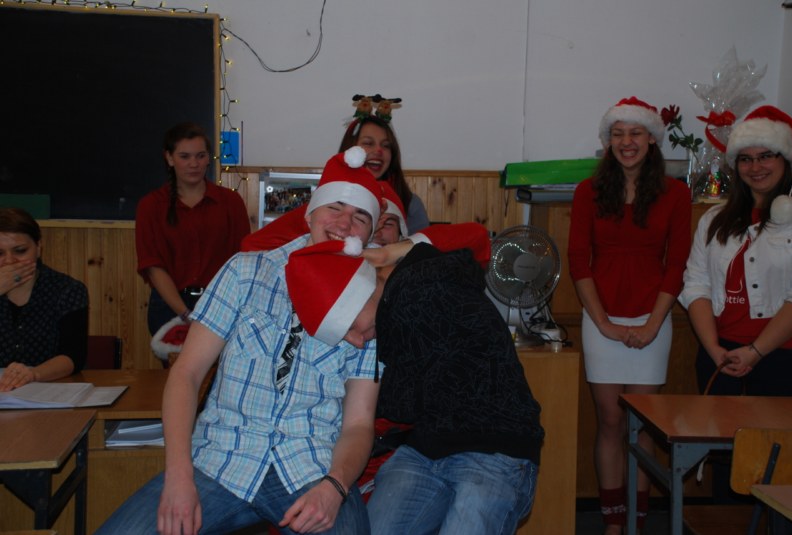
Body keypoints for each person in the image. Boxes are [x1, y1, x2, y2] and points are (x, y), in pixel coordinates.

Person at [96, 147, 384, 535]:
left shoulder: (370, 307)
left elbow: (359, 424)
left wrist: (335, 487)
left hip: (310, 469)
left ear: (369, 234)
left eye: (361, 217)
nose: (345, 223)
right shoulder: (246, 272)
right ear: (309, 214)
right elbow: (187, 374)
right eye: (334, 207)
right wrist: (178, 476)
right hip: (221, 459)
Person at [289, 238, 543, 535]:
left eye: (349, 327)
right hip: (428, 446)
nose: (356, 341)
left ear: (360, 295)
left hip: (497, 447)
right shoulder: (417, 283)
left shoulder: (414, 298)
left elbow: (400, 405)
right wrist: (395, 251)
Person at [567, 97, 691, 533]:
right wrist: (603, 323)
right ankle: (613, 521)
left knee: (642, 425)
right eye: (617, 134)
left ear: (651, 139)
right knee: (610, 420)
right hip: (601, 319)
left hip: (652, 320)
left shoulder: (676, 194)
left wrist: (653, 324)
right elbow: (578, 261)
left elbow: (676, 264)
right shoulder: (588, 192)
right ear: (608, 142)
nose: (626, 142)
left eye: (635, 133)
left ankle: (637, 520)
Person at [679, 105, 792, 397]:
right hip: (720, 355)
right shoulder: (713, 220)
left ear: (785, 160)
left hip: (786, 357)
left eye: (765, 156)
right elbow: (696, 285)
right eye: (746, 159)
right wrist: (713, 348)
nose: (755, 167)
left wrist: (756, 351)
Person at [241, 113, 429, 253]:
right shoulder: (324, 206)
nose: (378, 151)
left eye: (386, 146)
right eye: (368, 143)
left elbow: (426, 253)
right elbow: (253, 244)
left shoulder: (409, 203)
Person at [136, 122, 250, 337]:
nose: (194, 164)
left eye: (200, 156)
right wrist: (185, 313)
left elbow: (243, 260)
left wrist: (216, 309)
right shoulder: (151, 206)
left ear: (208, 158)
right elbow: (153, 266)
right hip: (170, 307)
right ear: (169, 158)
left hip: (221, 305)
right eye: (184, 156)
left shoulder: (230, 202)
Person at [0, 207, 88, 391]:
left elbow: (72, 356)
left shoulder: (67, 289)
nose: (9, 261)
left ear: (38, 248)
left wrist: (33, 374)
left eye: (20, 251)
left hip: (47, 390)